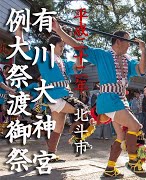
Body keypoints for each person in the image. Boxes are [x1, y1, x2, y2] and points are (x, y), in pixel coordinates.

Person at [51, 18, 146, 177]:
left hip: (120, 99)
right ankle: (133, 162)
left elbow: (142, 69)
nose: (130, 44)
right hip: (108, 99)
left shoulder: (128, 60)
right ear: (118, 41)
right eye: (128, 41)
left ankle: (110, 169)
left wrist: (144, 51)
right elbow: (78, 45)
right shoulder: (102, 55)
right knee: (136, 126)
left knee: (121, 136)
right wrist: (59, 31)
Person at [17, 24, 91, 162]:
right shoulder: (43, 55)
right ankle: (77, 137)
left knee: (59, 126)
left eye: (63, 47)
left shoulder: (63, 62)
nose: (63, 49)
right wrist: (19, 30)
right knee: (83, 110)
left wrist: (79, 50)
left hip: (63, 94)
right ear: (52, 46)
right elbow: (24, 49)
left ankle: (51, 154)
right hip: (55, 95)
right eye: (61, 46)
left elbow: (78, 67)